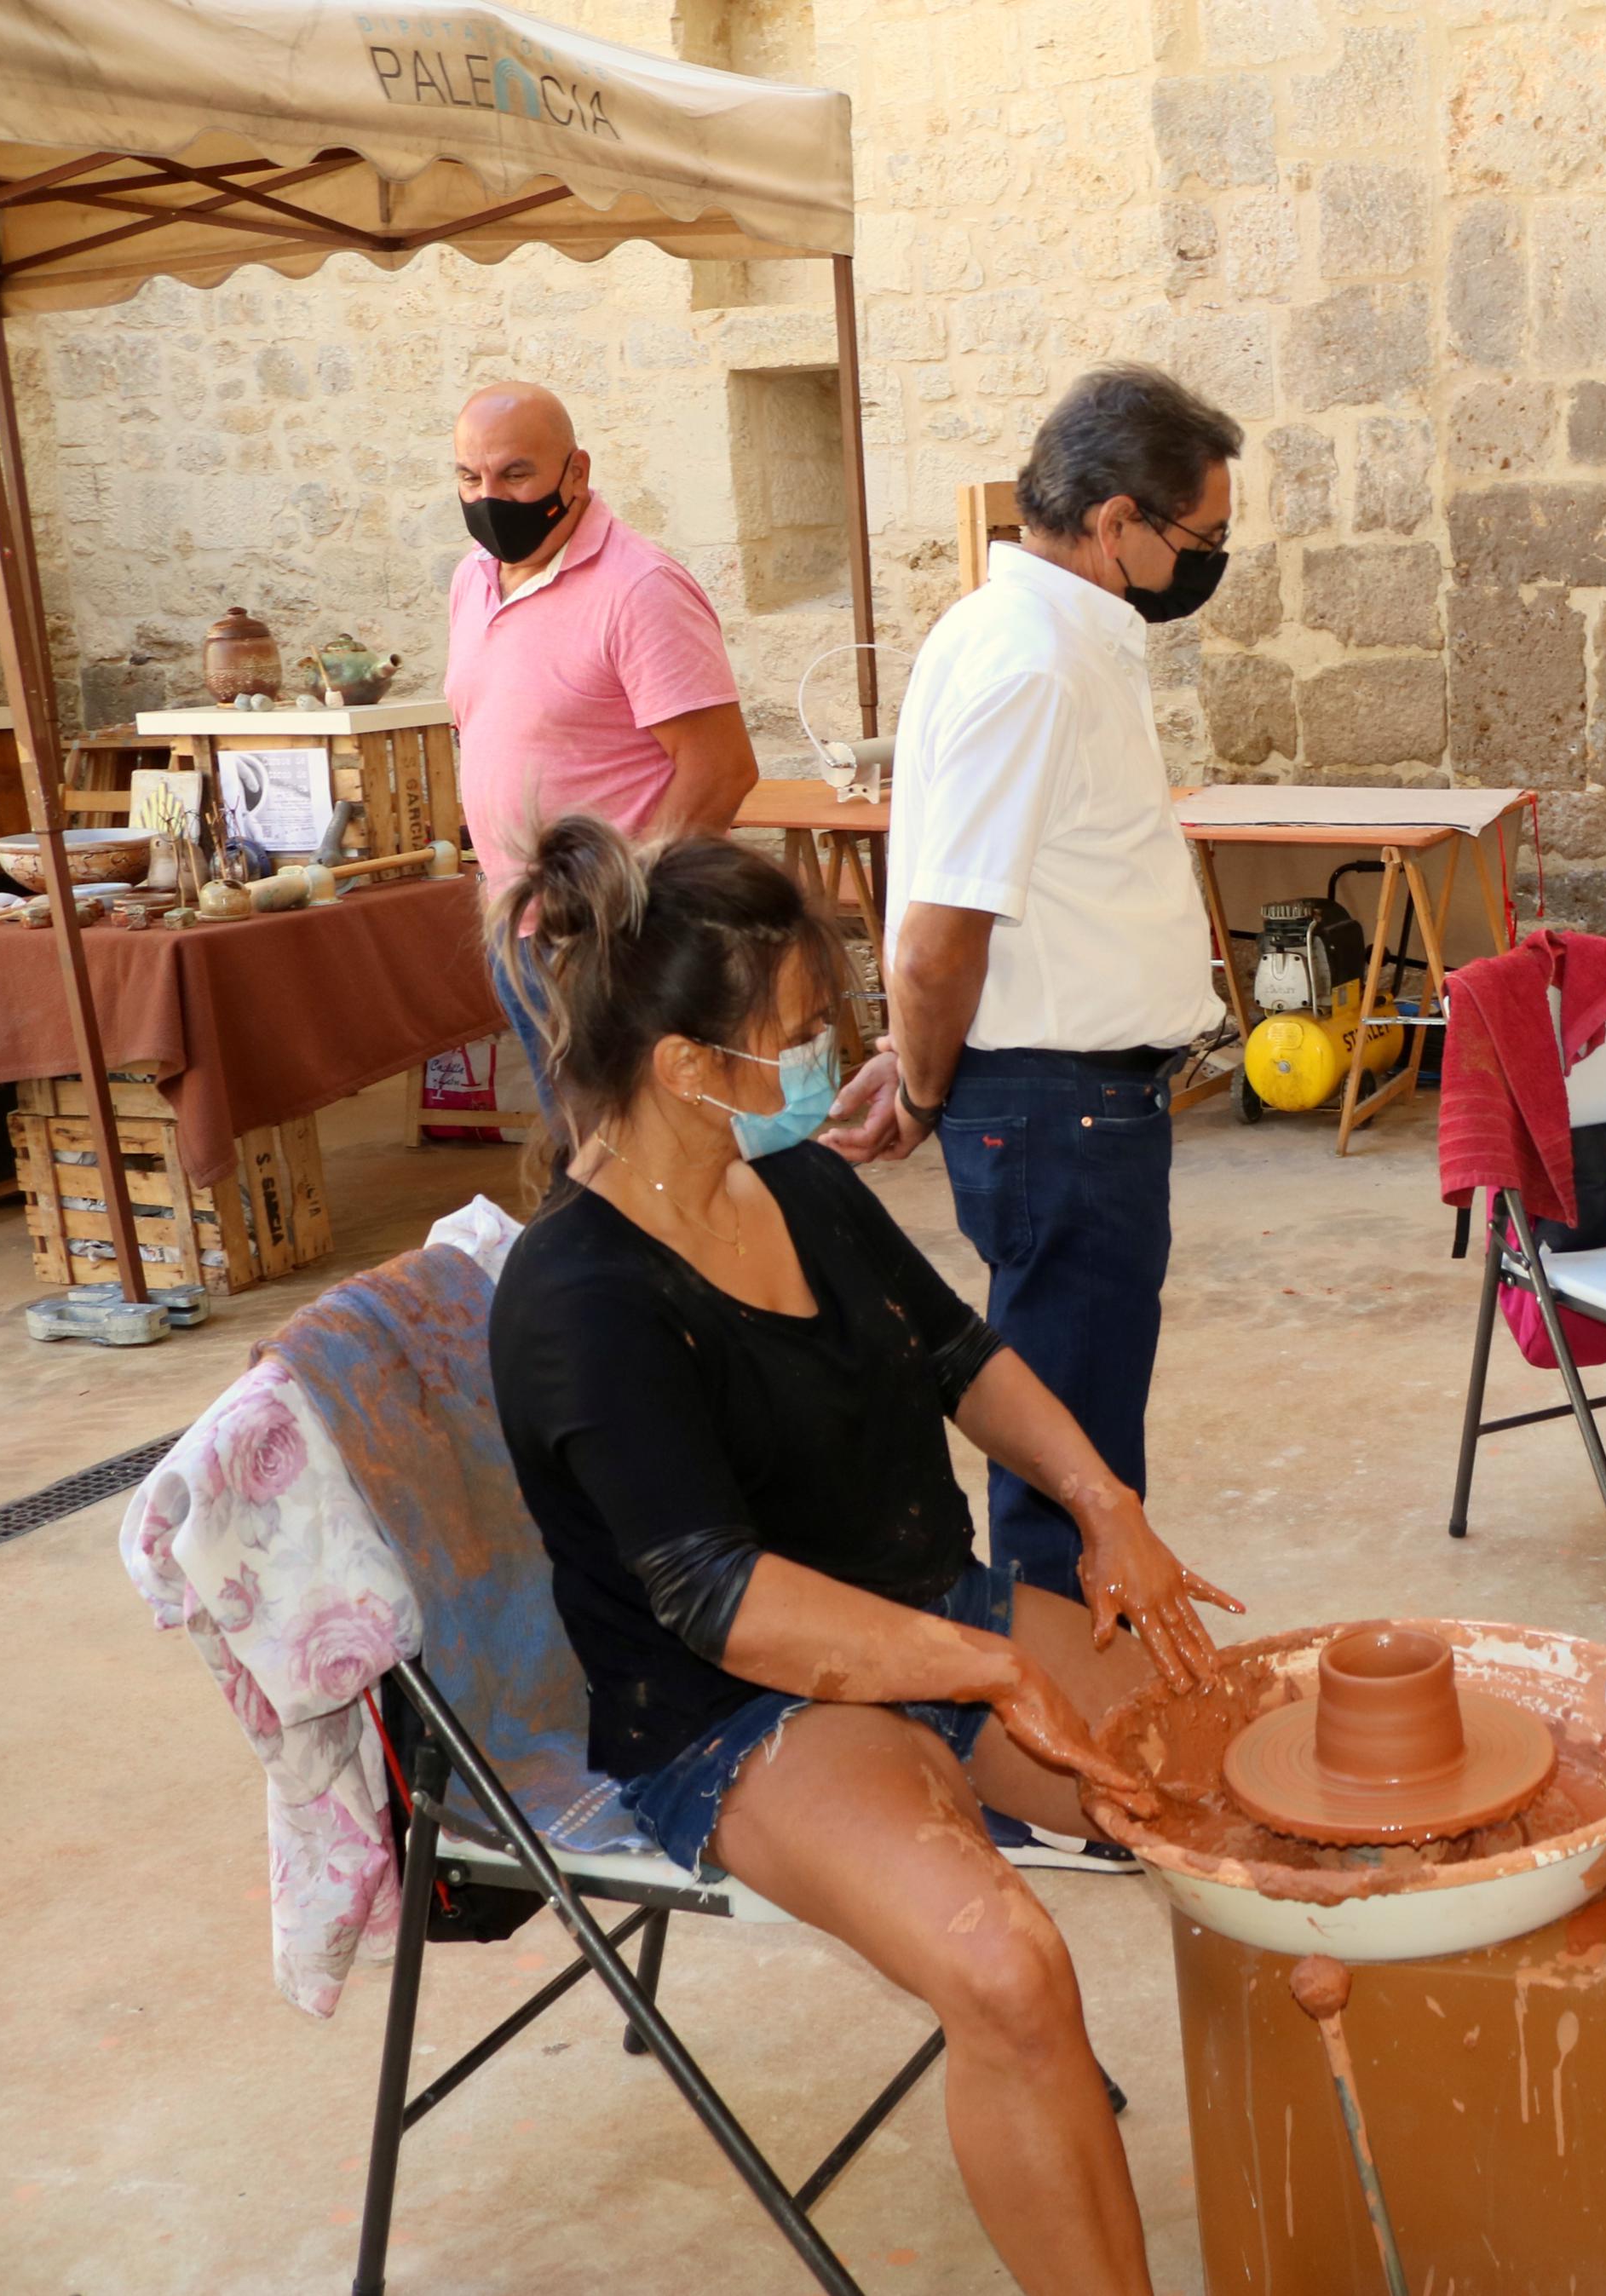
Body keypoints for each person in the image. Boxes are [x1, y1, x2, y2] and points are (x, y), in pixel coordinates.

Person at [486, 820, 1238, 2296]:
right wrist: (987, 1667)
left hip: (918, 1612)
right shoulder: (577, 1300)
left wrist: (1105, 1505)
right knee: (1010, 1970)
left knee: (1246, 1773)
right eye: (797, 1034)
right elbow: (725, 1604)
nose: (834, 1054)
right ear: (690, 1067)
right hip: (737, 1705)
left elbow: (960, 1357)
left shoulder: (800, 1185)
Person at [823, 364, 1235, 1645]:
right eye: (1202, 539)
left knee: (1075, 1417)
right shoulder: (1034, 663)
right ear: (1116, 525)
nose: (1212, 562)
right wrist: (924, 1073)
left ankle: (1074, 1697)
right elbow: (942, 930)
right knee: (1070, 1447)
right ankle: (1066, 1736)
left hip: (1069, 1098)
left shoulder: (1021, 636)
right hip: (1061, 1106)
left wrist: (915, 1057)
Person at [445, 382, 759, 1125]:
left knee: (652, 1155)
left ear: (575, 473)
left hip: (617, 942)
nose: (489, 497)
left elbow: (721, 770)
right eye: (469, 477)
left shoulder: (640, 588)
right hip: (517, 934)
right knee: (583, 1151)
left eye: (516, 473)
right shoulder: (471, 579)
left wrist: (616, 914)